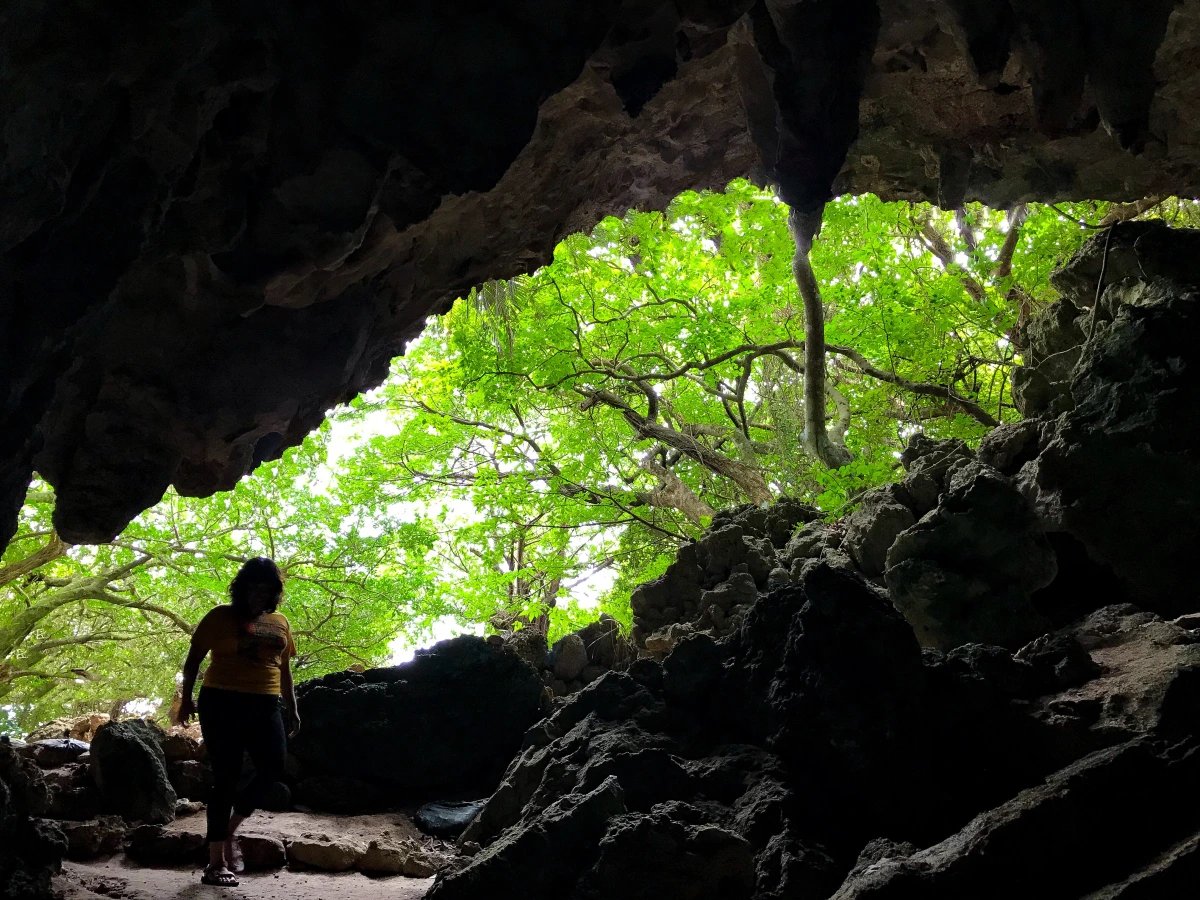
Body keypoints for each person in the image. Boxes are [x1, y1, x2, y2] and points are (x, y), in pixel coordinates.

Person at [177, 557, 300, 888]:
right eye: (253, 586)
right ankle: (215, 862)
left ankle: (228, 831)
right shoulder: (219, 617)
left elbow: (284, 668)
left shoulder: (280, 622)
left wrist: (292, 707)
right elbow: (193, 662)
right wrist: (186, 698)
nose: (259, 594)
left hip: (265, 702)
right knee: (226, 777)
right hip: (222, 701)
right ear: (241, 588)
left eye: (266, 588)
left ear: (274, 592)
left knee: (273, 768)